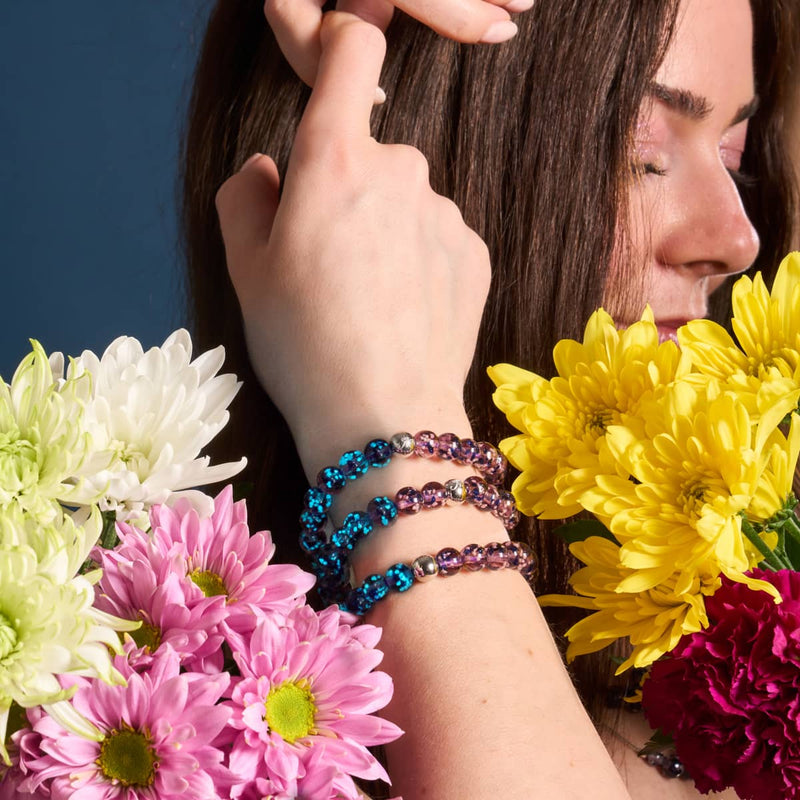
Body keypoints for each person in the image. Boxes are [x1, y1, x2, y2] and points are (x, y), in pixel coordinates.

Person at [183, 0, 799, 796]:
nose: (736, 236)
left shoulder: (756, 643)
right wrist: (393, 426)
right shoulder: (156, 715)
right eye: (642, 153)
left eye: (734, 154)